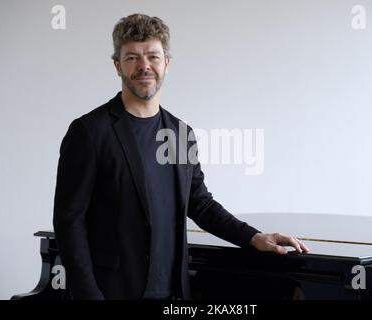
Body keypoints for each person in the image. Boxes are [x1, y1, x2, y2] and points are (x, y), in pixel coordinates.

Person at [53, 13, 308, 300]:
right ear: (117, 66)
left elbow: (200, 204)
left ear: (166, 64)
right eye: (132, 58)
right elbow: (69, 222)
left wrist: (253, 237)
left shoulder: (180, 133)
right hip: (113, 291)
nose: (144, 66)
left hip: (173, 293)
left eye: (153, 56)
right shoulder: (89, 132)